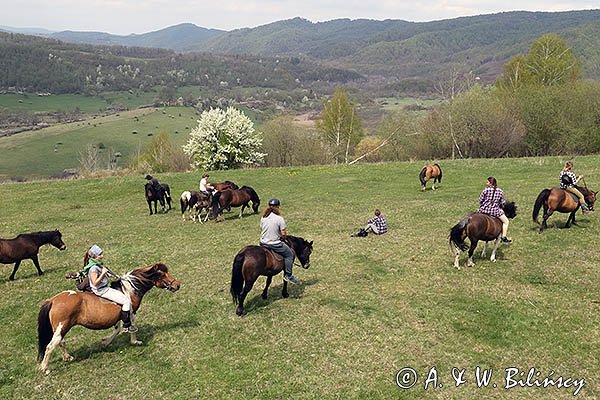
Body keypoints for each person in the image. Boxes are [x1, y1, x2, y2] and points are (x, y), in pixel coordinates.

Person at [86, 245, 137, 333]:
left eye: (102, 254)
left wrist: (108, 274)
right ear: (94, 256)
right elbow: (95, 282)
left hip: (103, 288)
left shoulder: (97, 264)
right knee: (126, 302)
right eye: (100, 255)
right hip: (102, 290)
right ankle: (127, 325)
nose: (102, 256)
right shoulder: (94, 268)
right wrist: (103, 273)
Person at [259, 198, 298, 284]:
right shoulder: (279, 218)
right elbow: (283, 234)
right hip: (274, 244)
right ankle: (288, 275)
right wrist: (283, 238)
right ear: (278, 207)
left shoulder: (263, 217)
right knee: (289, 255)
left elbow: (262, 228)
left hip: (262, 243)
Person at [478, 177, 512, 243]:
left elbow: (480, 200)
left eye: (487, 182)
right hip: (495, 211)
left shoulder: (485, 190)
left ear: (491, 183)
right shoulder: (500, 191)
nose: (486, 183)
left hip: (483, 210)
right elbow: (502, 202)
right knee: (506, 221)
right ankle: (503, 236)